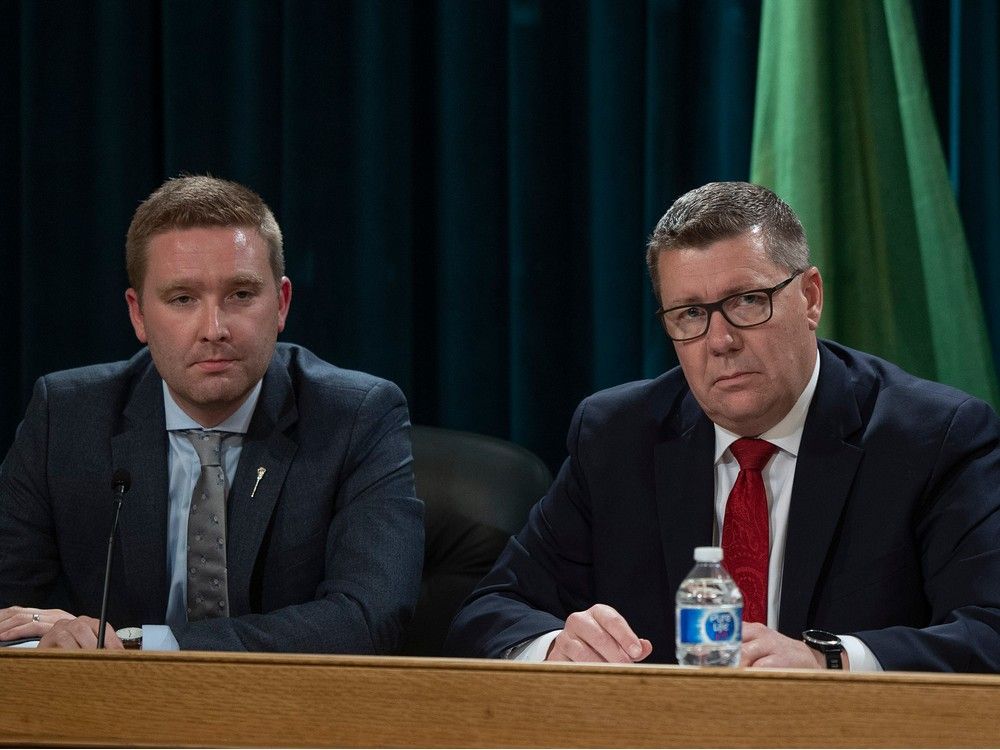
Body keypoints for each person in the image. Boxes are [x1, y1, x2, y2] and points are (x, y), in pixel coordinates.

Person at [445, 181, 1000, 672]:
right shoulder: (618, 436)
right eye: (689, 314)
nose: (721, 340)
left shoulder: (932, 438)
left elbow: (988, 631)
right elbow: (490, 613)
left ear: (810, 297)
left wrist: (829, 660)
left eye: (747, 301)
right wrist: (554, 648)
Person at [0, 175, 423, 652]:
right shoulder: (67, 416)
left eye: (240, 294)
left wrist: (144, 645)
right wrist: (39, 634)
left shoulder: (357, 417)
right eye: (182, 299)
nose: (214, 329)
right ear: (138, 314)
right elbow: (9, 605)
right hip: (107, 719)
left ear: (281, 303)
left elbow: (369, 617)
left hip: (292, 715)